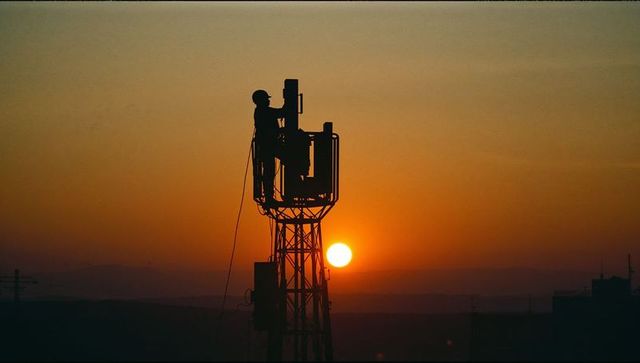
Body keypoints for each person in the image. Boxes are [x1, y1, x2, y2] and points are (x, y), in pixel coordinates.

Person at [252, 89, 285, 204]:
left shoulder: (262, 111)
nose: (268, 101)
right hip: (268, 146)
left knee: (269, 171)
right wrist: (289, 101)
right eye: (266, 99)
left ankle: (269, 196)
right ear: (260, 101)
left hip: (268, 145)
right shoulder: (263, 111)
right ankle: (269, 197)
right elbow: (282, 113)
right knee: (269, 171)